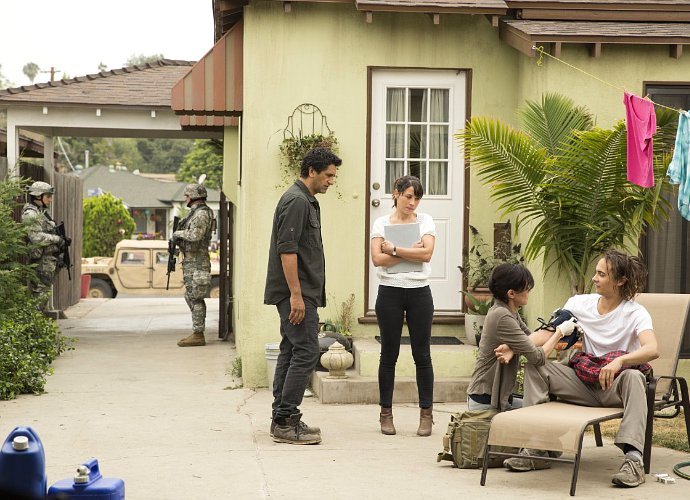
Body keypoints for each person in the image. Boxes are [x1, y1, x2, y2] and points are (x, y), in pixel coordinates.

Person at [504, 249, 657, 489]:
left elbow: (652, 349)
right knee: (536, 366)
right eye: (596, 272)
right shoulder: (579, 303)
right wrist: (513, 348)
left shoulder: (635, 312)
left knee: (635, 377)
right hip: (583, 381)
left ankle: (634, 460)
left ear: (620, 280)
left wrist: (619, 361)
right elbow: (547, 332)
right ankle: (539, 446)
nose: (594, 278)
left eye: (601, 274)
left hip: (615, 387)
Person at [264, 147, 341, 445]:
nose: (331, 181)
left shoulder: (304, 200)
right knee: (307, 351)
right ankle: (286, 420)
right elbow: (287, 250)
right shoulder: (297, 201)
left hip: (300, 291)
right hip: (296, 293)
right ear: (312, 171)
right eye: (328, 175)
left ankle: (282, 419)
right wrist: (296, 295)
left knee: (291, 350)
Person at [370, 175, 438, 436]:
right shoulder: (381, 223)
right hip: (389, 292)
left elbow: (427, 254)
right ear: (396, 193)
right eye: (409, 196)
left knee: (422, 355)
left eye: (417, 198)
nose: (413, 202)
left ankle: (426, 415)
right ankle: (385, 414)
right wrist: (410, 252)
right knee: (389, 355)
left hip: (419, 292)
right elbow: (377, 259)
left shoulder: (425, 221)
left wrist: (395, 250)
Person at [466, 263, 575, 412]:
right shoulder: (502, 316)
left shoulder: (509, 312)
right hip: (485, 401)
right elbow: (537, 357)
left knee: (540, 410)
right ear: (511, 293)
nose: (529, 291)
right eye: (526, 288)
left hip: (498, 398)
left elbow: (531, 339)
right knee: (539, 413)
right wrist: (559, 333)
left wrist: (553, 326)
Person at [172, 183, 216, 347]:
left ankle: (198, 334)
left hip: (198, 261)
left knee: (195, 297)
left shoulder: (202, 214)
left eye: (187, 196)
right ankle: (197, 332)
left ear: (193, 196)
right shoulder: (196, 213)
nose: (185, 199)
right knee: (190, 296)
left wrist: (178, 233)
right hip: (192, 260)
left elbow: (195, 235)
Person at [22, 181, 67, 310]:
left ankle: (38, 319)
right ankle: (34, 320)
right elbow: (35, 237)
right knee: (39, 295)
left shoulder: (41, 212)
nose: (50, 200)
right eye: (48, 196)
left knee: (43, 294)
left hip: (46, 259)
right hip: (39, 260)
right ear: (38, 196)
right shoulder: (31, 214)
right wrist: (56, 239)